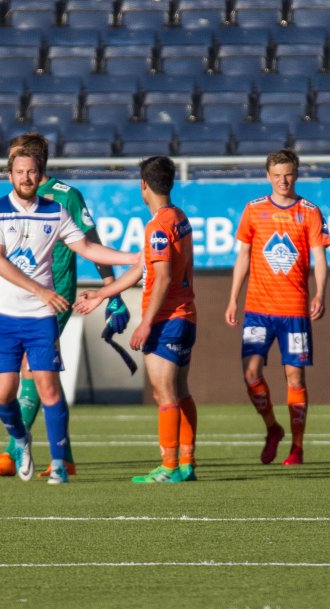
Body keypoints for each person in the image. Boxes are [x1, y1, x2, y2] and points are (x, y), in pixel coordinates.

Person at [0, 132, 130, 479]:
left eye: (23, 164)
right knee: (21, 382)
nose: (19, 171)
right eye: (16, 167)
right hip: (10, 303)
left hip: (53, 297)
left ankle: (20, 453)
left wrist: (113, 291)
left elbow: (91, 244)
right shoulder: (3, 205)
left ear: (35, 161)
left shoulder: (65, 197)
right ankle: (55, 453)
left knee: (37, 374)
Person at [75, 156, 198, 482]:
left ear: (143, 185)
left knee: (164, 393)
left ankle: (169, 467)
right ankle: (187, 463)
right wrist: (102, 294)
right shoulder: (179, 217)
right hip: (186, 316)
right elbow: (143, 268)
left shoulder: (156, 226)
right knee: (180, 391)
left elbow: (163, 277)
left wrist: (146, 323)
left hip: (166, 320)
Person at [225, 148, 330, 466]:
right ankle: (273, 427)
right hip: (257, 309)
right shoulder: (254, 209)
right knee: (251, 372)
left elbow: (320, 258)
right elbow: (243, 256)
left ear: (296, 174)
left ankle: (297, 447)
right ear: (267, 176)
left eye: (288, 175)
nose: (283, 181)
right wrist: (233, 298)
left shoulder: (310, 212)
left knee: (294, 378)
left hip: (294, 310)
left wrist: (320, 293)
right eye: (277, 176)